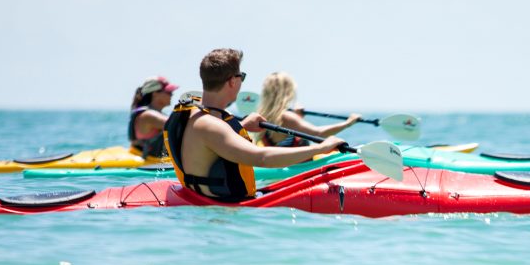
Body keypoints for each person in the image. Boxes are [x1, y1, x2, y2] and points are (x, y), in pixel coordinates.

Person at [162, 49, 347, 202]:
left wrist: (241, 126)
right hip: (223, 209)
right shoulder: (211, 126)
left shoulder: (193, 115)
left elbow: (211, 145)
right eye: (241, 76)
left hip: (203, 201)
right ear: (232, 81)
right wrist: (321, 148)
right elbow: (262, 158)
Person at [255, 71, 361, 147]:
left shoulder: (262, 116)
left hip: (281, 169)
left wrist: (297, 117)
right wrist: (348, 123)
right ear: (288, 92)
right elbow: (318, 134)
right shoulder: (286, 117)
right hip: (300, 169)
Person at [128, 76, 178, 158]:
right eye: (169, 92)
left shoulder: (153, 113)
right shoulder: (149, 115)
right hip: (151, 161)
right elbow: (177, 125)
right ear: (155, 93)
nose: (172, 95)